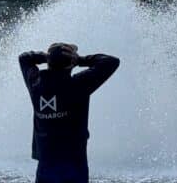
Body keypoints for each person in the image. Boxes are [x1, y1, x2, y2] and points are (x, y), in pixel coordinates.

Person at [19, 42, 120, 183]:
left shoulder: (35, 84)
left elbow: (24, 58)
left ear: (49, 63)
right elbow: (111, 62)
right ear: (71, 63)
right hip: (74, 166)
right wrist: (81, 60)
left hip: (46, 166)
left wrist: (47, 56)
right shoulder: (77, 85)